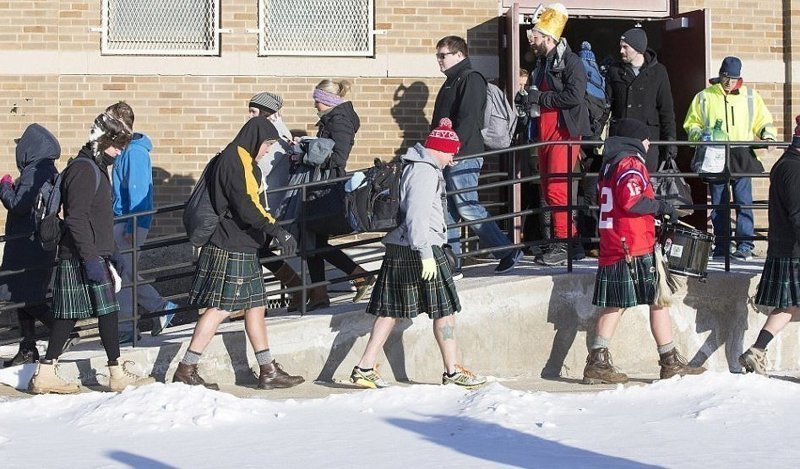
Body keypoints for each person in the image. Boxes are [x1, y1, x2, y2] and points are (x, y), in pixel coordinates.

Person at [350, 118, 487, 389]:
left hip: (403, 247)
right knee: (444, 310)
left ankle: (365, 366)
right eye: (451, 152)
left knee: (390, 309)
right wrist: (426, 253)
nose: (453, 159)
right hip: (421, 247)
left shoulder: (416, 166)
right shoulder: (424, 172)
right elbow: (417, 216)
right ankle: (451, 371)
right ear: (439, 148)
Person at [28, 105, 154, 394]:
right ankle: (53, 372)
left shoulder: (95, 167)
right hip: (80, 256)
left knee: (103, 311)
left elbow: (99, 218)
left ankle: (111, 371)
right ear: (103, 140)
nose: (120, 152)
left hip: (92, 253)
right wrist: (92, 259)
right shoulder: (83, 170)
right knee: (72, 314)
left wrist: (113, 253)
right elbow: (76, 218)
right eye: (118, 145)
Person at [172, 117, 304, 390]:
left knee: (256, 306)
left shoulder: (242, 158)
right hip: (230, 245)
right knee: (220, 307)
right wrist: (277, 230)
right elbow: (246, 205)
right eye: (267, 144)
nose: (267, 150)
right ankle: (186, 368)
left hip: (243, 244)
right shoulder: (236, 159)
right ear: (255, 139)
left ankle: (268, 369)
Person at [582, 118, 705, 384]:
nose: (649, 144)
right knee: (656, 300)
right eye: (646, 139)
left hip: (616, 241)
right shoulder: (630, 163)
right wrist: (661, 207)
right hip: (632, 244)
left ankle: (599, 360)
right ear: (636, 140)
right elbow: (632, 199)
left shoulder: (610, 164)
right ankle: (667, 362)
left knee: (619, 303)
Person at [431, 35, 523, 277]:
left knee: (467, 207)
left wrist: (452, 148)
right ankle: (452, 263)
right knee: (447, 209)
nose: (439, 60)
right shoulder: (452, 81)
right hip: (447, 155)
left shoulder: (471, 79)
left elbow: (469, 119)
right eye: (437, 56)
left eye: (443, 55)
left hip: (464, 153)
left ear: (459, 55)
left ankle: (507, 251)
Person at [683, 56, 777, 260]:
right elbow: (692, 124)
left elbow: (763, 120)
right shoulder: (704, 97)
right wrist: (699, 136)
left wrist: (768, 135)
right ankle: (722, 246)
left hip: (741, 154)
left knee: (744, 202)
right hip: (715, 155)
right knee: (719, 204)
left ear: (739, 78)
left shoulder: (750, 96)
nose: (728, 82)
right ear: (720, 75)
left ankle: (745, 246)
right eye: (725, 77)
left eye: (733, 79)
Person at [521, 4, 591, 266]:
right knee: (550, 191)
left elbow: (574, 96)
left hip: (564, 133)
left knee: (559, 189)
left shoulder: (572, 62)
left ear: (549, 38)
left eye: (536, 37)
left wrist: (542, 97)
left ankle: (564, 243)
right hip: (545, 133)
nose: (533, 41)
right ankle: (564, 242)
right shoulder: (543, 63)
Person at [295, 79, 374, 310]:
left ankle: (356, 276)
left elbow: (339, 157)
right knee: (311, 238)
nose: (314, 105)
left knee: (312, 237)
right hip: (321, 185)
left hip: (327, 186)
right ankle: (325, 291)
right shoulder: (333, 119)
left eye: (317, 100)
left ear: (326, 100)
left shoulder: (339, 121)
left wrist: (306, 152)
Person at [109, 102, 177, 341]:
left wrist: (131, 226)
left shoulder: (134, 153)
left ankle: (128, 328)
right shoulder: (127, 152)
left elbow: (137, 195)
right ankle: (160, 308)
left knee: (123, 276)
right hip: (124, 220)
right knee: (125, 274)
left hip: (130, 221)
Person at [739, 116, 800, 375]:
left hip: (789, 248)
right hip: (793, 248)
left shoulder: (790, 165)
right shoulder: (792, 169)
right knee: (789, 305)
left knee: (789, 306)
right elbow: (798, 213)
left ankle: (757, 351)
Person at [0, 124, 60, 366]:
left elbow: (19, 205)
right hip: (36, 244)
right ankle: (27, 349)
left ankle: (62, 331)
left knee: (27, 297)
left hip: (27, 245)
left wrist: (4, 186)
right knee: (23, 296)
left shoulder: (34, 171)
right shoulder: (48, 170)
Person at [248, 91, 305, 312]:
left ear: (266, 112)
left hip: (269, 206)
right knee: (256, 251)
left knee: (254, 250)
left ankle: (297, 288)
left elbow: (258, 167)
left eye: (254, 111)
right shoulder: (274, 132)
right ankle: (297, 288)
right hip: (267, 204)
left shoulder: (274, 138)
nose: (250, 116)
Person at [605, 27, 677, 173]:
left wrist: (670, 141)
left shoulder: (659, 72)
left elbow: (666, 110)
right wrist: (594, 134)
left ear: (637, 48)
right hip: (622, 138)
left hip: (648, 141)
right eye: (620, 47)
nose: (621, 51)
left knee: (645, 184)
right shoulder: (614, 71)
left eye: (625, 47)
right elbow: (606, 105)